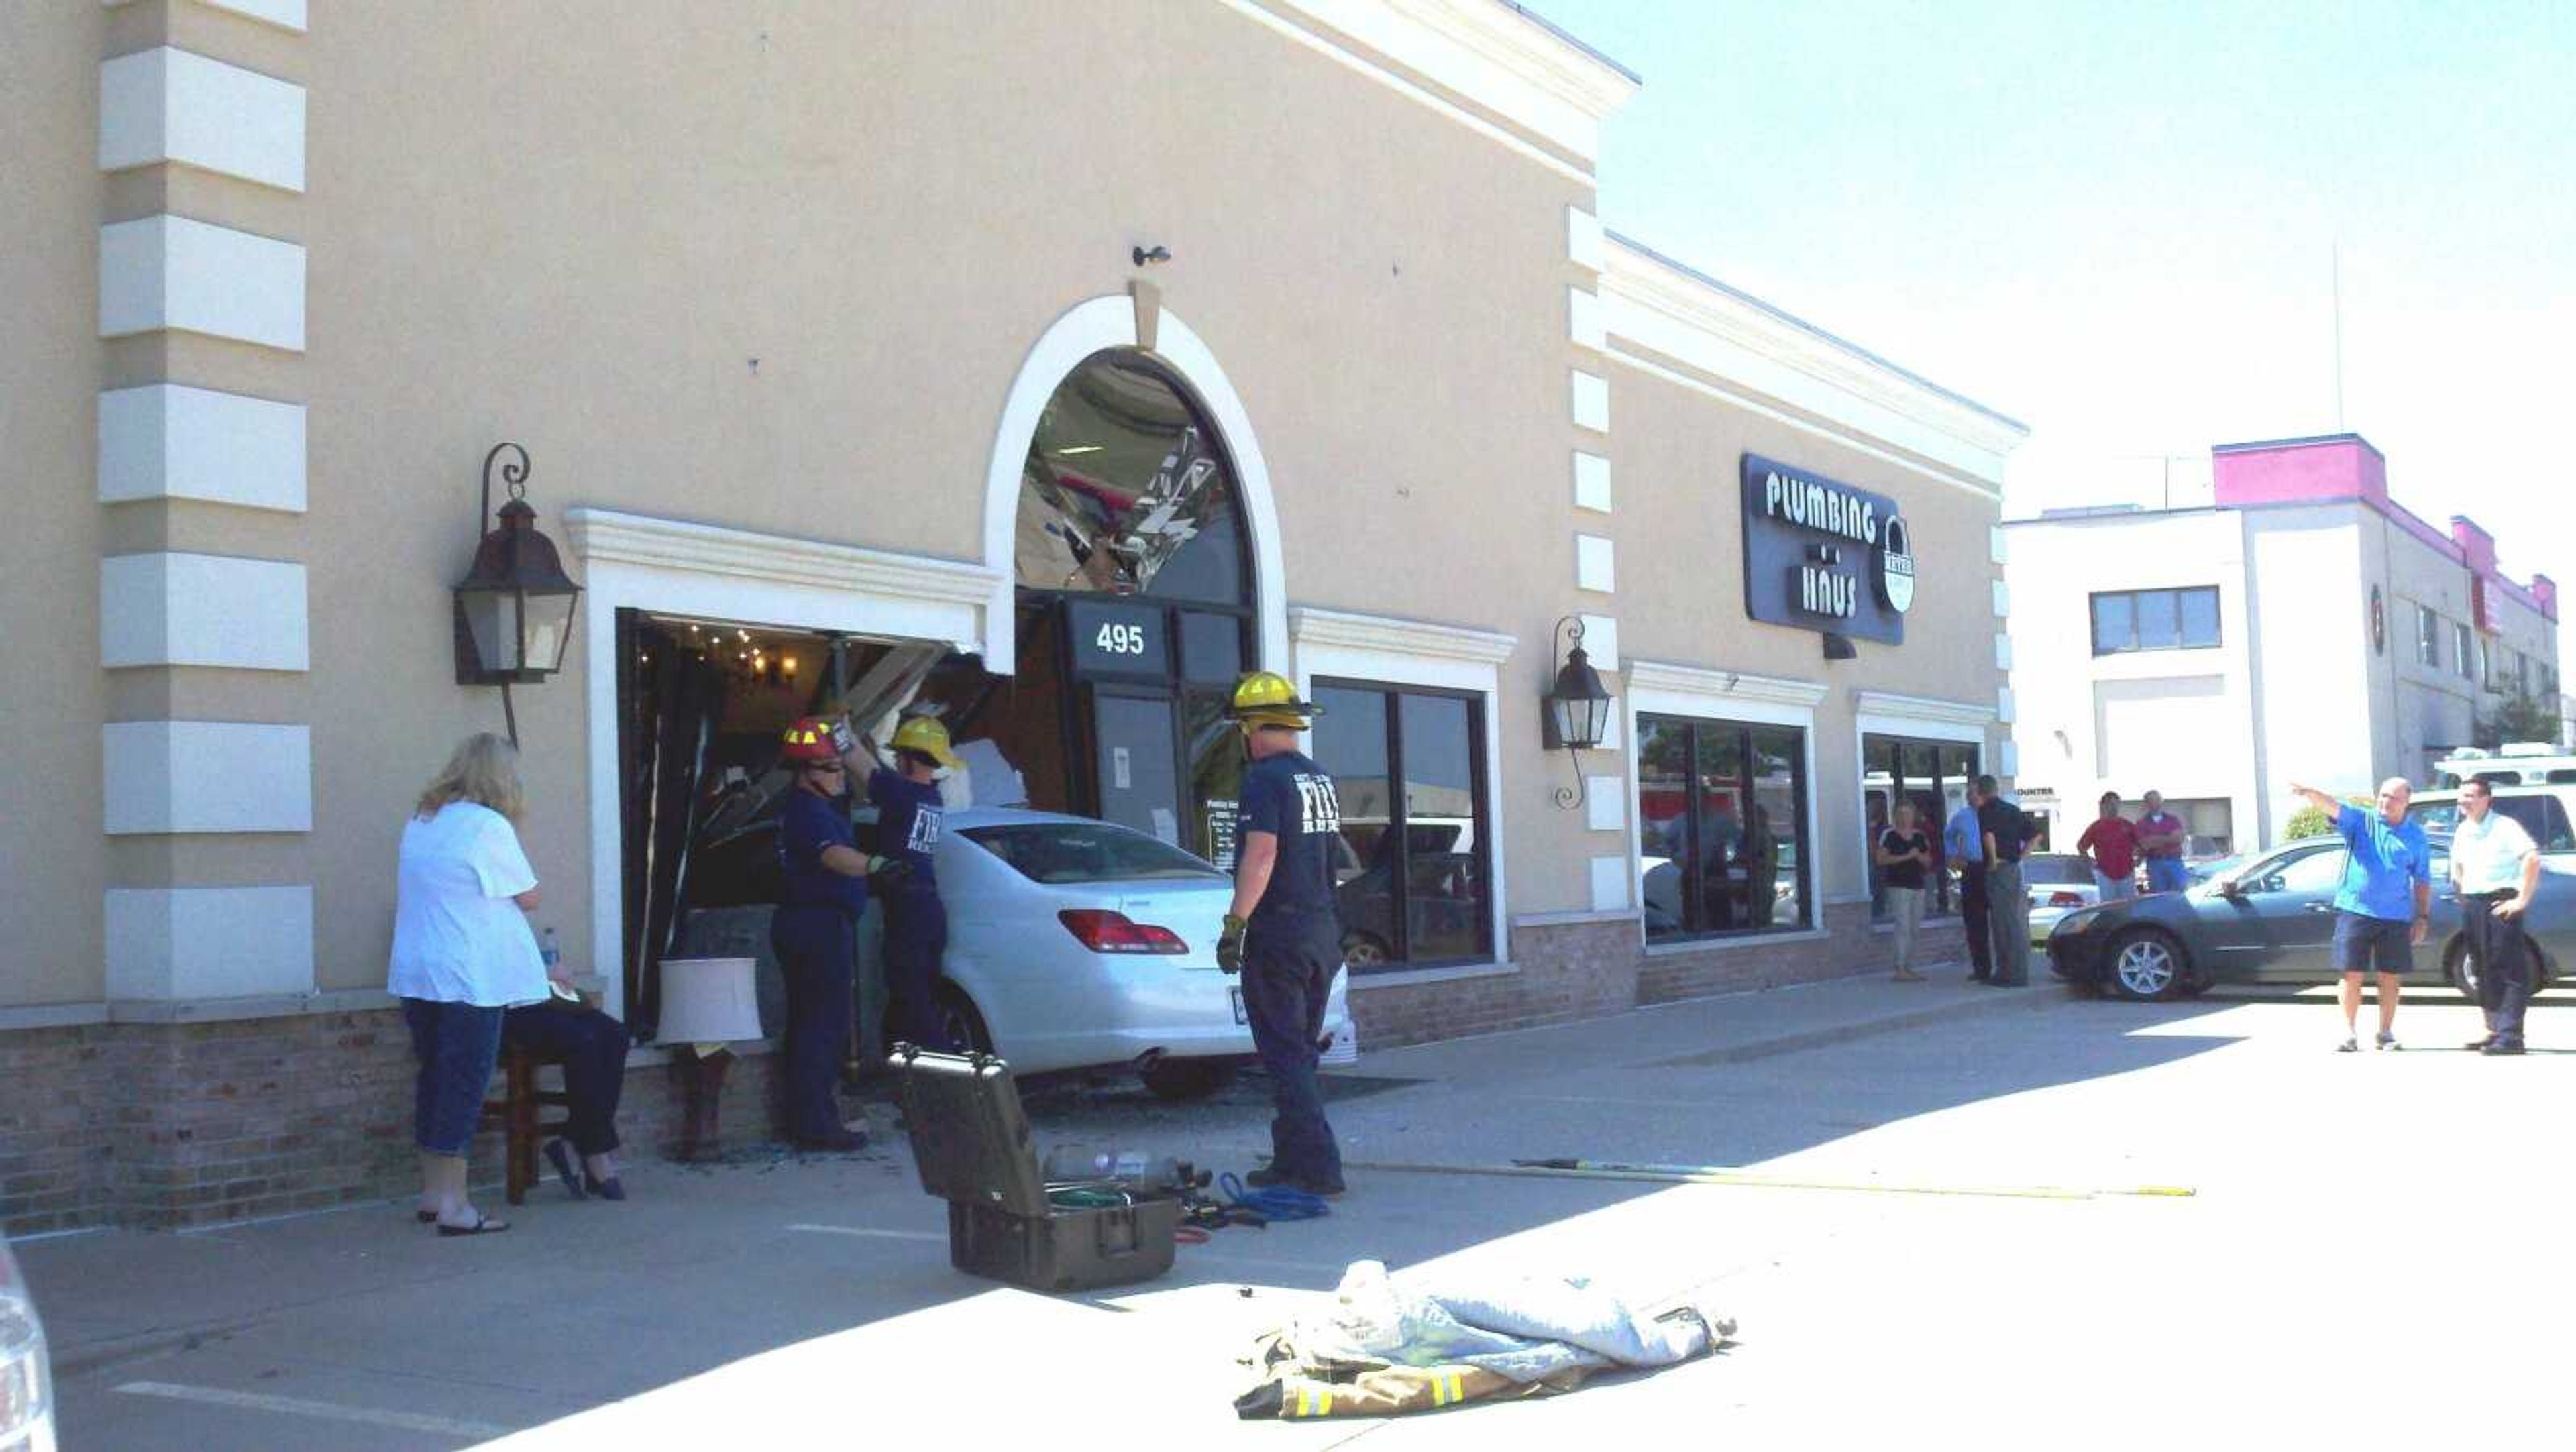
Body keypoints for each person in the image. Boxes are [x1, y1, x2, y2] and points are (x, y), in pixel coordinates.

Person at [388, 733, 547, 1235]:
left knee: (433, 1077)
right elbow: (529, 896)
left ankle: (433, 1193)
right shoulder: (487, 825)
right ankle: (457, 1205)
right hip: (470, 974)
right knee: (465, 1081)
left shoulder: (423, 819)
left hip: (418, 968)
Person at [1215, 671, 1346, 1198]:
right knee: (1301, 1051)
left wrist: (1235, 924)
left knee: (1285, 1053)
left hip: (1281, 933)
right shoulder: (1317, 777)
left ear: (1252, 728)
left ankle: (1319, 1167)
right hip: (1321, 931)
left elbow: (1261, 854)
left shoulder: (1264, 779)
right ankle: (1291, 1158)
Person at [771, 714, 879, 1151]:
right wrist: (877, 865)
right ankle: (817, 1124)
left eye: (839, 767)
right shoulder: (809, 811)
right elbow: (833, 857)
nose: (840, 776)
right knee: (823, 1025)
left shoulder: (818, 807)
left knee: (813, 1023)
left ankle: (813, 1117)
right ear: (805, 772)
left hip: (814, 923)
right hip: (816, 924)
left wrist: (848, 741)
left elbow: (875, 783)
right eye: (830, 768)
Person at [2288, 777, 2431, 1052]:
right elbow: (2332, 807)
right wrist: (2309, 792)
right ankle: (2349, 1033)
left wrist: (2422, 917)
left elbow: (2422, 880)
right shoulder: (2361, 820)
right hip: (2355, 910)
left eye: (2393, 798)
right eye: (2383, 796)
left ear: (2406, 802)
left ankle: (2386, 1033)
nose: (2385, 802)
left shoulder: (2416, 836)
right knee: (2351, 973)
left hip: (2396, 916)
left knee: (2390, 976)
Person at [866, 715, 964, 1054]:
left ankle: (944, 1077)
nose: (894, 760)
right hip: (929, 909)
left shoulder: (901, 793)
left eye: (899, 755)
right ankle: (904, 1068)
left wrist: (839, 730)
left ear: (908, 758)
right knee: (917, 996)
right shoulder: (931, 797)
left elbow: (858, 765)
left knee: (913, 998)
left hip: (907, 910)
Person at [502, 986, 634, 1201]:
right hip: (506, 1008)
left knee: (616, 1034)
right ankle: (595, 1153)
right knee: (582, 1039)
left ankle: (572, 1141)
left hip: (545, 1001)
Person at [2448, 779, 2540, 1054]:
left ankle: (2511, 1036)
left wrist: (2521, 899)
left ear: (2487, 799)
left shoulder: (2505, 826)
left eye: (2470, 796)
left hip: (2500, 902)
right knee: (2481, 968)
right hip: (2474, 904)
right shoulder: (2464, 829)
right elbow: (2459, 865)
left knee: (2507, 969)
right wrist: (2461, 892)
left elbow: (2532, 859)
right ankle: (2493, 1029)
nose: (2464, 801)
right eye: (2461, 797)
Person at [1978, 775, 2038, 986]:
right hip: (2013, 868)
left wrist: (1993, 860)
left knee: (2004, 922)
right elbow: (2036, 835)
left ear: (1981, 792)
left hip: (2000, 869)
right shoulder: (2012, 810)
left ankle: (2011, 974)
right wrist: (2021, 856)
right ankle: (2009, 972)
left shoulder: (1986, 810)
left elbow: (1989, 836)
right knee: (2014, 920)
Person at [1875, 801, 1933, 981]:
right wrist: (1907, 856)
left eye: (1907, 814)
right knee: (1903, 926)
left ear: (1913, 816)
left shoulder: (1919, 836)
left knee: (1914, 927)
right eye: (1900, 814)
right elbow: (1881, 860)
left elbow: (1928, 861)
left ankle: (1910, 967)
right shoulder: (1890, 835)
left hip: (1918, 885)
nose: (1904, 818)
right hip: (1898, 886)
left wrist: (1920, 857)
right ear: (1895, 815)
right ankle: (1899, 968)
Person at [1946, 783, 1993, 983]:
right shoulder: (1961, 817)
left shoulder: (1994, 814)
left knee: (1999, 919)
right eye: (1968, 794)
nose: (1969, 797)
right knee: (1975, 921)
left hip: (1993, 869)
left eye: (1973, 793)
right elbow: (1948, 837)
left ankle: (2007, 967)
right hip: (1971, 870)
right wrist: (1954, 856)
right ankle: (1981, 969)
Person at [2075, 791, 2141, 901]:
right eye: (2111, 804)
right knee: (2108, 907)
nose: (2114, 807)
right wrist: (2090, 862)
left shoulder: (2127, 825)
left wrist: (2140, 859)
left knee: (2128, 906)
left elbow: (2141, 843)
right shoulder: (2096, 827)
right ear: (2104, 806)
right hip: (2105, 874)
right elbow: (2081, 846)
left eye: (2116, 804)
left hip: (2126, 872)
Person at [2135, 791, 2189, 893]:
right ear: (2146, 804)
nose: (2155, 803)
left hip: (2175, 862)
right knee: (2159, 897)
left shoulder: (2173, 819)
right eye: (2151, 801)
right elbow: (2145, 844)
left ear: (2162, 801)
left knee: (2180, 895)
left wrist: (2155, 839)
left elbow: (2178, 839)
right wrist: (2169, 838)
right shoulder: (2142, 823)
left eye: (2157, 800)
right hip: (2155, 863)